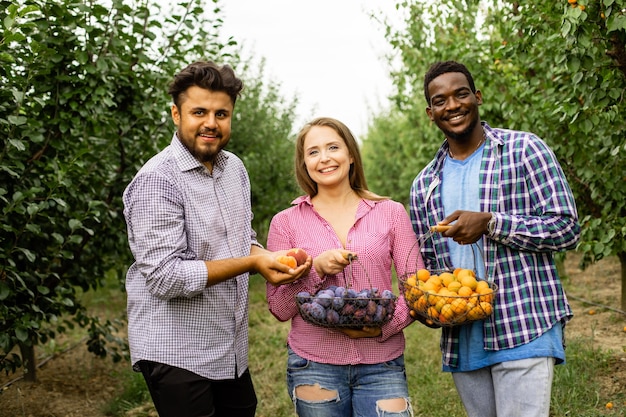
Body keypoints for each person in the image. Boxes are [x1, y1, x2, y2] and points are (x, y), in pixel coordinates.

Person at [122, 60, 310, 417]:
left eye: (221, 113)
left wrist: (266, 256)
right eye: (199, 112)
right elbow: (165, 277)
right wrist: (252, 262)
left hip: (227, 346)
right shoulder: (157, 181)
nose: (211, 122)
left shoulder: (233, 169)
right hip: (176, 349)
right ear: (176, 114)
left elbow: (243, 239)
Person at [409, 60, 580, 417]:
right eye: (440, 101)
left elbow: (565, 228)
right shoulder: (424, 185)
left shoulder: (524, 151)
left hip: (524, 325)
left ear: (478, 97)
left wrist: (490, 223)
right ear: (430, 113)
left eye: (461, 94)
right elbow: (430, 265)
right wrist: (427, 305)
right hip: (464, 340)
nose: (452, 105)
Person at [266, 117, 424, 417]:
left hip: (382, 363)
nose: (324, 158)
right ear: (304, 163)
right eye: (313, 152)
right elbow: (279, 307)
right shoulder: (285, 223)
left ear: (351, 155)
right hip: (314, 364)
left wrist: (380, 329)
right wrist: (317, 270)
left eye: (333, 147)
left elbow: (416, 289)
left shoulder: (390, 213)